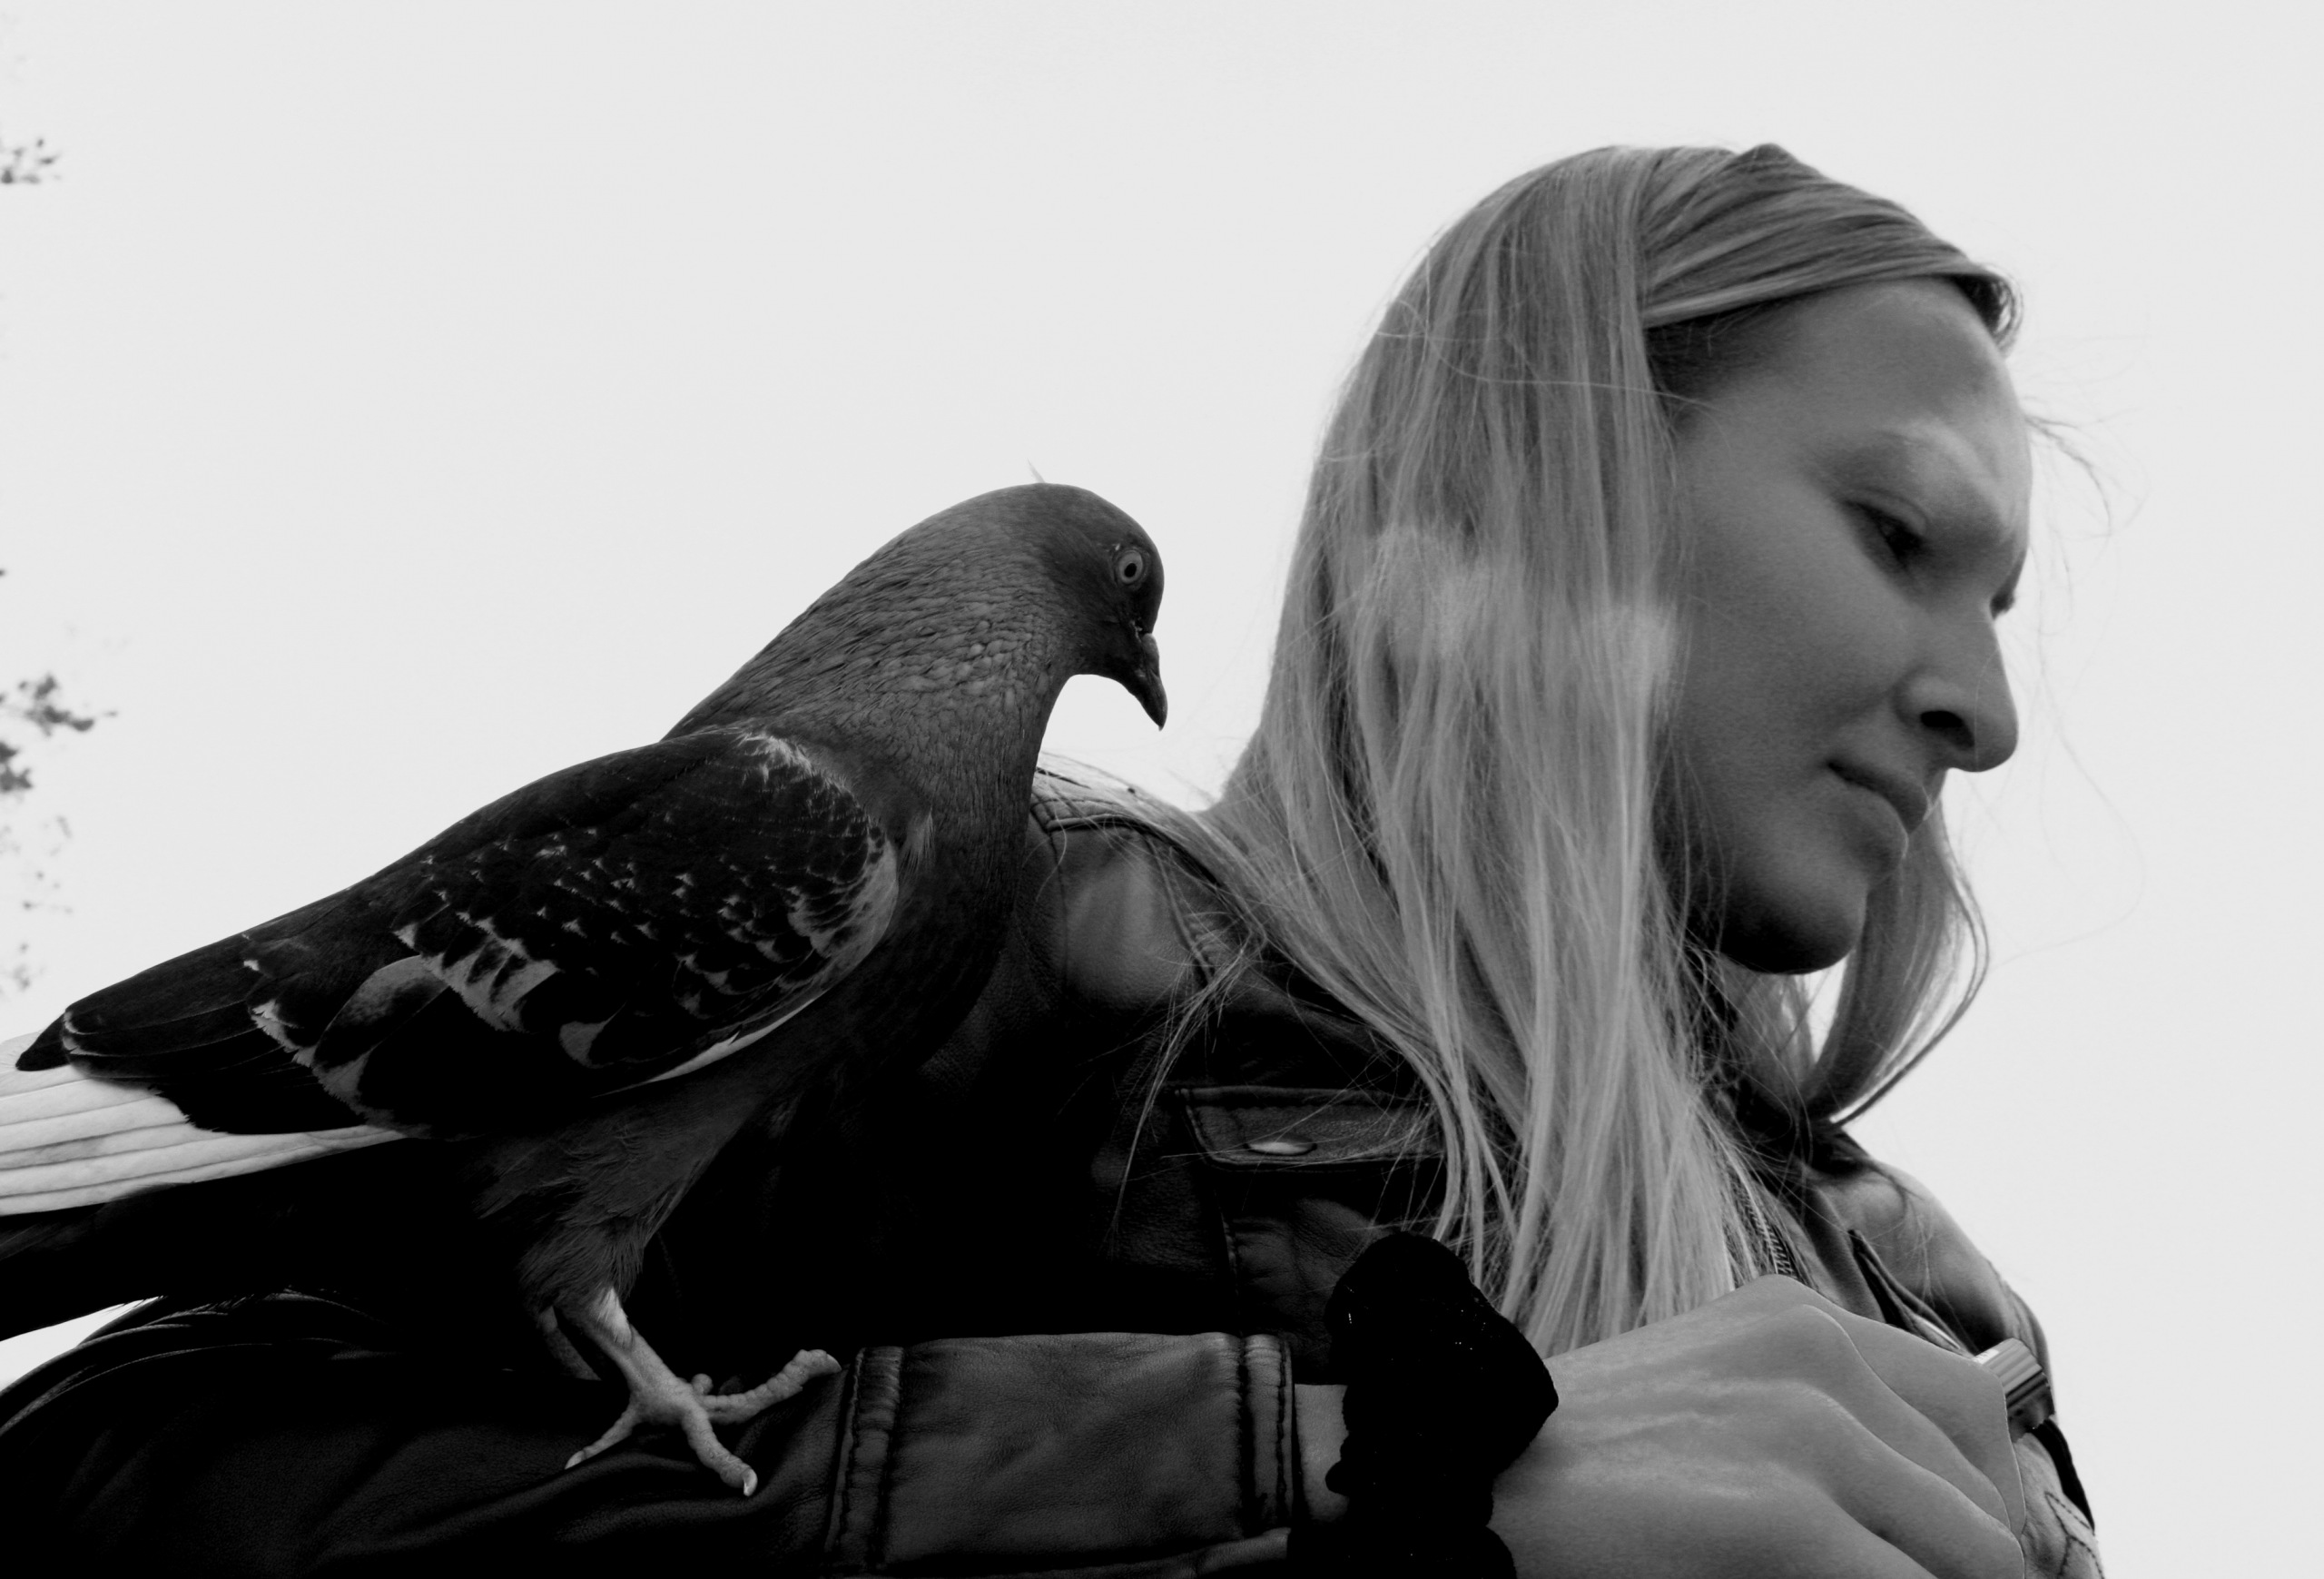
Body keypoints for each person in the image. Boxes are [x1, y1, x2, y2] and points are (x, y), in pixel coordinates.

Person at [0, 144, 2099, 1577]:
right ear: (1563, 501)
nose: (1982, 712)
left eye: (1999, 605)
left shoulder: (1923, 1297)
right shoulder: (1052, 946)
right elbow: (121, 1475)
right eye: (1894, 535)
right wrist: (1344, 1469)